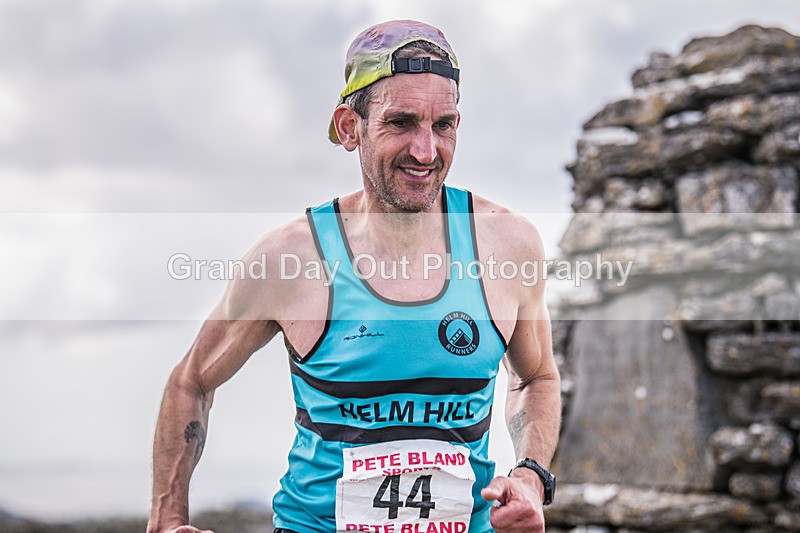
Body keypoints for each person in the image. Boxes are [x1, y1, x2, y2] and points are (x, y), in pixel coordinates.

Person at [147, 19, 561, 533]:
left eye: (444, 125)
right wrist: (167, 519)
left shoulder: (508, 244)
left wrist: (530, 473)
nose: (426, 152)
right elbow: (192, 380)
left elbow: (536, 376)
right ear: (350, 127)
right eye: (401, 123)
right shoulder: (291, 258)